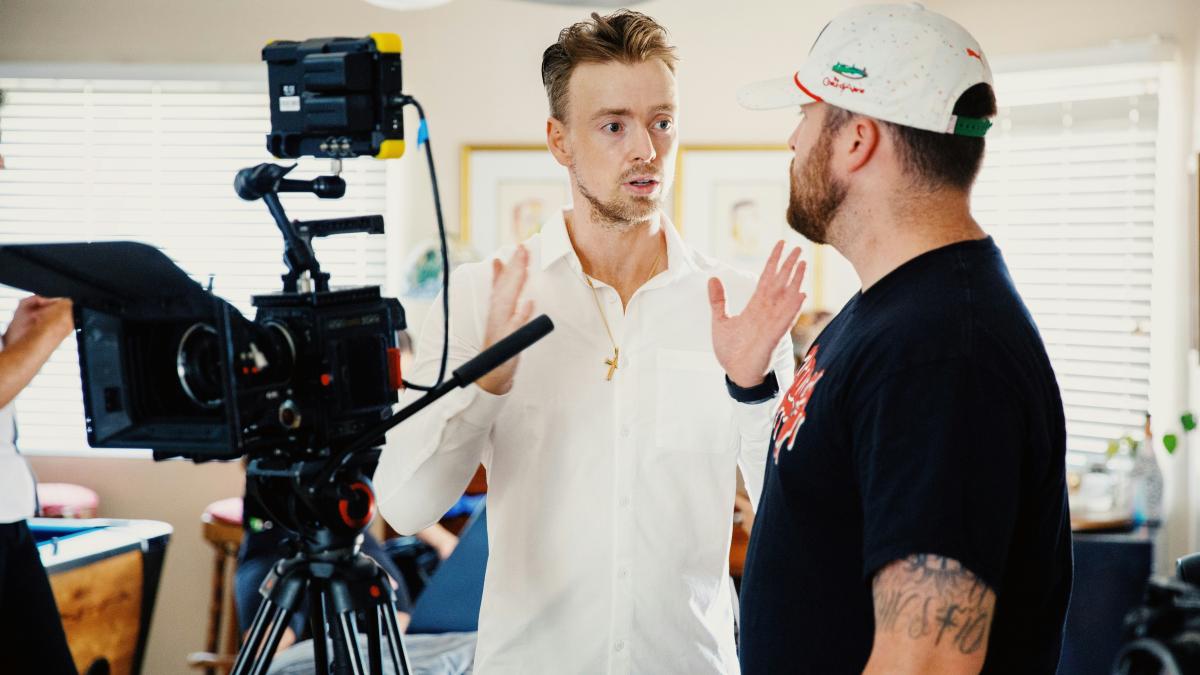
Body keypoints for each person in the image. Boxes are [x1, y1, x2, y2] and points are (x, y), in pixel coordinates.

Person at [375, 10, 806, 674]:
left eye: (663, 122)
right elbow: (406, 507)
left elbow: (796, 522)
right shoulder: (478, 295)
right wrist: (487, 384)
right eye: (613, 125)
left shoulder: (744, 306)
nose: (646, 149)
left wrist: (750, 390)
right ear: (559, 140)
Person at [729, 4, 1073, 673]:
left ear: (856, 139)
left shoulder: (940, 349)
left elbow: (928, 662)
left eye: (803, 115)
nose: (792, 142)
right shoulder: (892, 315)